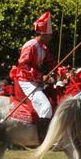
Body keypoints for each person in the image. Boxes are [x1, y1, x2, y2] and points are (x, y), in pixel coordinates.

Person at [11, 11, 57, 142]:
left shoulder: (43, 47)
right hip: (25, 80)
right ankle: (42, 140)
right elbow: (23, 65)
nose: (51, 36)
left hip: (35, 80)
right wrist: (40, 77)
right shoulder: (30, 46)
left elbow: (53, 63)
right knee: (46, 107)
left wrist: (65, 72)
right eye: (49, 34)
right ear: (43, 34)